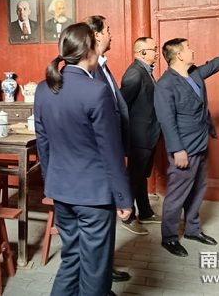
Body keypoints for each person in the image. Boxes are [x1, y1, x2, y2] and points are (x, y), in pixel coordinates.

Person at [34, 23, 132, 296]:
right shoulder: (96, 90)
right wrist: (123, 198)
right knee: (95, 271)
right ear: (90, 50)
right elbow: (110, 151)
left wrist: (51, 183)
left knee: (72, 259)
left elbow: (43, 142)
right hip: (94, 196)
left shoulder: (44, 89)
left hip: (61, 190)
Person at [154, 34, 219, 257]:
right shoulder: (165, 85)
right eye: (188, 48)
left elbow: (216, 64)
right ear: (179, 55)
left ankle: (192, 230)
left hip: (201, 141)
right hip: (184, 148)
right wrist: (177, 150)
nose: (192, 50)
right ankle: (169, 238)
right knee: (177, 194)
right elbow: (166, 121)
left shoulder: (194, 74)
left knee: (198, 188)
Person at [85, 15, 142, 283]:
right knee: (99, 225)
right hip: (99, 159)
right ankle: (98, 280)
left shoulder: (103, 66)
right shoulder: (90, 71)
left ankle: (104, 270)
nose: (111, 34)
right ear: (96, 35)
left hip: (112, 149)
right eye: (108, 30)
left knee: (106, 223)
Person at [120, 37, 163, 232]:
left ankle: (145, 213)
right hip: (139, 137)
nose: (157, 52)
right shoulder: (135, 73)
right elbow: (121, 106)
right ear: (142, 52)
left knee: (139, 177)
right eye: (154, 49)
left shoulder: (145, 70)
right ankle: (128, 218)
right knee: (133, 177)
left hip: (148, 134)